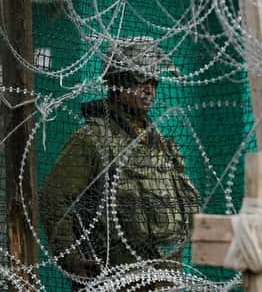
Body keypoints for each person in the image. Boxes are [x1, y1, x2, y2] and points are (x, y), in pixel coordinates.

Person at [41, 37, 199, 289]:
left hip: (160, 280)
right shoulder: (94, 138)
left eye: (153, 81)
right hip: (114, 278)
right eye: (140, 80)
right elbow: (53, 198)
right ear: (118, 83)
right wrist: (71, 258)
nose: (149, 89)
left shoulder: (158, 142)